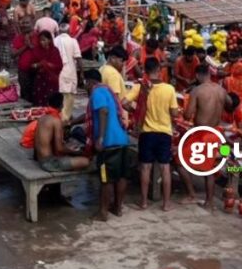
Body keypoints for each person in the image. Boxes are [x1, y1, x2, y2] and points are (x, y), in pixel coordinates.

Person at [82, 69, 129, 221]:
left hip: (108, 144)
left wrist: (100, 138)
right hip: (122, 140)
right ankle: (118, 207)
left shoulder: (96, 93)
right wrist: (72, 121)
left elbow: (103, 111)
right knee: (121, 177)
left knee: (105, 179)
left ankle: (103, 212)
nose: (85, 87)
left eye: (85, 83)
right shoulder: (108, 91)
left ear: (90, 81)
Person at [183, 63, 228, 209]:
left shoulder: (197, 90)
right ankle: (209, 201)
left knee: (178, 161)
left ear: (197, 75)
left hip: (201, 134)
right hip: (216, 132)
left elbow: (187, 114)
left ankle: (192, 195)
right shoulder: (221, 90)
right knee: (210, 169)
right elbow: (231, 103)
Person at [138, 57, 180, 211]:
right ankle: (166, 204)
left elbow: (124, 103)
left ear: (146, 71)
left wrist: (137, 112)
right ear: (159, 70)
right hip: (164, 133)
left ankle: (143, 202)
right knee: (165, 168)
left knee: (145, 168)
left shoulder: (141, 87)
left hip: (147, 133)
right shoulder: (169, 89)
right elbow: (175, 113)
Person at [33, 93, 89, 172]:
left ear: (48, 104)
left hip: (40, 159)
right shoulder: (56, 121)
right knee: (85, 161)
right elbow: (59, 149)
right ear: (61, 106)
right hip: (49, 163)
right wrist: (77, 152)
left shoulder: (42, 118)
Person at [19, 30, 62, 108]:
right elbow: (30, 65)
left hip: (52, 80)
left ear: (49, 40)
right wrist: (37, 65)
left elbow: (59, 65)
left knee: (53, 101)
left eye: (44, 40)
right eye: (40, 40)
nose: (42, 42)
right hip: (40, 80)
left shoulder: (55, 51)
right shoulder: (36, 50)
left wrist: (46, 64)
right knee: (39, 100)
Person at [54, 23, 82, 121]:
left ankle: (59, 117)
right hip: (70, 73)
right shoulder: (73, 41)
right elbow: (78, 58)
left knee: (59, 97)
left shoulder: (54, 41)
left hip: (57, 73)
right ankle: (65, 120)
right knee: (68, 98)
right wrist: (82, 73)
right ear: (69, 31)